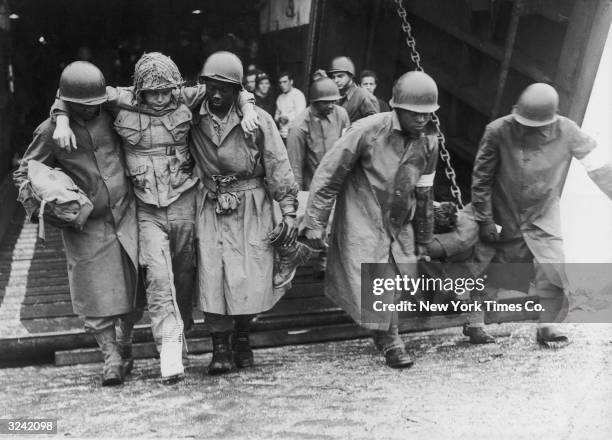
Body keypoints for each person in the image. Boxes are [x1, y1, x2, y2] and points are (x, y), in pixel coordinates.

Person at [50, 53, 259, 383]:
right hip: (146, 208)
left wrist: (247, 108)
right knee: (158, 276)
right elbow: (74, 93)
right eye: (152, 93)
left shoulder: (187, 96)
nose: (160, 99)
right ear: (140, 91)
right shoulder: (122, 99)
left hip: (184, 203)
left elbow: (232, 87)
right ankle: (170, 350)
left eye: (166, 92)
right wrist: (61, 121)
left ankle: (182, 331)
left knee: (185, 274)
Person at [14, 61, 142, 386]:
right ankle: (110, 356)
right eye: (81, 107)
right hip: (86, 227)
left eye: (94, 104)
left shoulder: (114, 116)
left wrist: (62, 112)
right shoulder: (49, 132)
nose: (90, 110)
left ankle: (126, 344)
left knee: (133, 288)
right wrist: (46, 209)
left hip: (126, 215)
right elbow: (25, 172)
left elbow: (138, 98)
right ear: (68, 102)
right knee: (95, 294)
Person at [302, 71, 440, 368]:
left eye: (428, 114)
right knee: (377, 278)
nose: (422, 119)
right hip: (363, 213)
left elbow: (425, 192)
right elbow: (329, 175)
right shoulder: (367, 129)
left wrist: (425, 238)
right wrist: (315, 222)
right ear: (397, 108)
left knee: (401, 278)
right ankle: (391, 340)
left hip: (400, 219)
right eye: (415, 113)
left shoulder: (429, 141)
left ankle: (382, 330)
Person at [472, 83, 612, 346]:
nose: (527, 129)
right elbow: (482, 178)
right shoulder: (497, 131)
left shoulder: (568, 131)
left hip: (543, 214)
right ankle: (474, 322)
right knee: (489, 268)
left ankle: (549, 326)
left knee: (553, 269)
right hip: (505, 213)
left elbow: (599, 168)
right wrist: (485, 218)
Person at [191, 51, 299, 375]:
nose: (218, 94)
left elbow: (278, 164)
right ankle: (219, 346)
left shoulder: (258, 120)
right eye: (212, 86)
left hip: (252, 202)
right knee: (213, 272)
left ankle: (241, 336)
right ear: (204, 85)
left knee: (249, 275)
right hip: (211, 201)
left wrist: (289, 211)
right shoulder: (192, 118)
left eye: (226, 88)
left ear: (239, 90)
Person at [286, 78, 349, 278]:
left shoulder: (341, 115)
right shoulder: (298, 126)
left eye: (334, 101)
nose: (331, 105)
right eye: (326, 102)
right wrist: (298, 197)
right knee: (308, 230)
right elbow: (294, 164)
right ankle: (289, 265)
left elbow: (348, 147)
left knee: (335, 225)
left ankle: (325, 265)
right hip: (310, 185)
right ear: (314, 102)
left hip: (336, 181)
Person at [422, 202, 497, 344]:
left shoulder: (468, 227)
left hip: (470, 247)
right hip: (436, 246)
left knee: (480, 283)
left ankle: (475, 326)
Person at [327, 56, 379, 122]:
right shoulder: (334, 95)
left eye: (340, 76)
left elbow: (374, 125)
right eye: (333, 77)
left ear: (351, 76)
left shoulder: (364, 96)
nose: (336, 80)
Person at [275, 72, 306, 143]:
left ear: (291, 81)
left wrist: (288, 118)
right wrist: (279, 118)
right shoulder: (280, 97)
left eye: (285, 82)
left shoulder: (298, 95)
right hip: (282, 134)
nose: (282, 85)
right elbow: (276, 114)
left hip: (294, 135)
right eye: (280, 83)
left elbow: (301, 116)